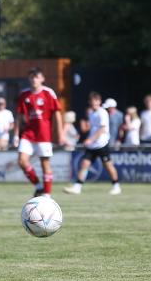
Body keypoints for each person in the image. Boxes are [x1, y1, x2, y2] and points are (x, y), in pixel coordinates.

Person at [15, 67, 64, 197]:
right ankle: (39, 186)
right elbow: (19, 116)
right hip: (28, 134)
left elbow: (57, 114)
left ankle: (47, 195)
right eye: (31, 77)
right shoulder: (24, 94)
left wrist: (60, 133)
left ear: (42, 79)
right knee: (22, 161)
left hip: (44, 135)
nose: (34, 79)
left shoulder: (49, 93)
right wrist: (16, 134)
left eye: (36, 77)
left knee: (45, 164)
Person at [63, 92, 122, 195]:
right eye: (92, 101)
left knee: (108, 165)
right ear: (89, 102)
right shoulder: (91, 113)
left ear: (99, 101)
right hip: (93, 145)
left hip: (102, 144)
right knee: (84, 164)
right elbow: (92, 128)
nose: (94, 102)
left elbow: (102, 129)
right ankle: (77, 187)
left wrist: (90, 139)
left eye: (96, 100)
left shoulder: (102, 112)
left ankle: (116, 186)